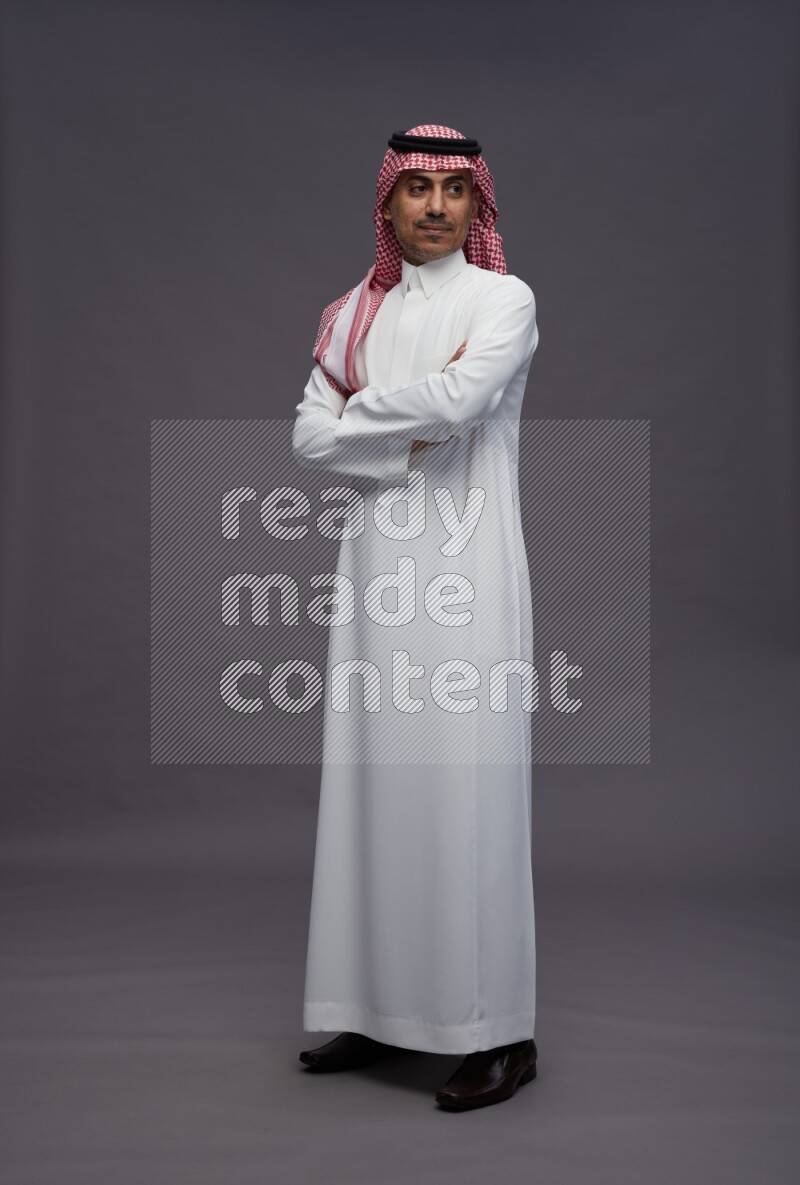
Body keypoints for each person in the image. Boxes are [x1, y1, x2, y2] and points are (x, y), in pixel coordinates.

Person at [291, 124, 540, 1111]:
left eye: (453, 189)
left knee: (465, 794)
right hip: (372, 576)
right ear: (387, 202)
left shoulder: (502, 300)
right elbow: (306, 441)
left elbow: (464, 401)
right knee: (370, 786)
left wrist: (360, 416)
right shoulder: (352, 311)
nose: (435, 205)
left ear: (477, 204)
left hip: (466, 570)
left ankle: (498, 1032)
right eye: (417, 188)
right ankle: (373, 1007)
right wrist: (404, 427)